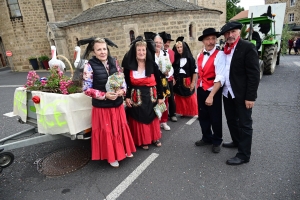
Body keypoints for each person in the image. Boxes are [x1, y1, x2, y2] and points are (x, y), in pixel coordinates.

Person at [82, 38, 136, 168]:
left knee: (119, 129)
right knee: (108, 132)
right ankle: (112, 157)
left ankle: (123, 151)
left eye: (104, 49)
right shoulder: (89, 66)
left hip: (116, 104)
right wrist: (103, 95)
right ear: (94, 52)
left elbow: (122, 80)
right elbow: (86, 89)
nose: (102, 52)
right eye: (99, 49)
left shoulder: (114, 62)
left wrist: (122, 91)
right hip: (102, 107)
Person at [219, 21, 260, 165]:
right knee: (231, 120)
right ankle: (236, 141)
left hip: (242, 94)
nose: (230, 35)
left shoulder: (247, 47)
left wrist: (250, 97)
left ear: (239, 32)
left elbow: (254, 75)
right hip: (227, 92)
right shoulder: (224, 49)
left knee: (245, 124)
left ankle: (243, 155)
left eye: (233, 32)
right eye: (227, 33)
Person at [123, 37, 164, 150]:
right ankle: (143, 140)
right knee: (139, 117)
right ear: (135, 52)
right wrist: (126, 97)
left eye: (143, 50)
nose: (141, 52)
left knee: (152, 116)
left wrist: (161, 96)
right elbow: (126, 83)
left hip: (151, 95)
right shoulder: (129, 68)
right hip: (136, 96)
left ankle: (154, 138)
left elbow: (159, 81)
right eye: (139, 50)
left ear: (146, 51)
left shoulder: (152, 65)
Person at [195, 28, 224, 153]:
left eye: (213, 38)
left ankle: (217, 140)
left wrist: (211, 95)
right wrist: (193, 84)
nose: (211, 42)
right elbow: (198, 71)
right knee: (203, 116)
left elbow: (220, 77)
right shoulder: (199, 55)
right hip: (201, 89)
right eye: (208, 39)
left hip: (213, 90)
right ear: (203, 41)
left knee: (215, 117)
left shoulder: (220, 55)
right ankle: (206, 137)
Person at [172, 37, 198, 117]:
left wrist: (193, 82)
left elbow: (194, 71)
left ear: (184, 47)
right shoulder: (175, 58)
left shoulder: (190, 58)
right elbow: (171, 70)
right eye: (177, 47)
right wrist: (173, 78)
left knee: (190, 96)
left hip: (187, 80)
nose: (179, 49)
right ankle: (184, 112)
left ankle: (195, 112)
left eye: (180, 47)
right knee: (180, 97)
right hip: (178, 80)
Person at [153, 33, 173, 131]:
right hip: (154, 82)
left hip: (164, 80)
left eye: (160, 42)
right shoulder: (150, 55)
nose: (158, 44)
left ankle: (164, 121)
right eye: (156, 42)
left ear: (162, 43)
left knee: (165, 101)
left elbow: (170, 67)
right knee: (155, 102)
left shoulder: (165, 54)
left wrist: (168, 72)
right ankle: (157, 122)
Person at [161, 32, 177, 122]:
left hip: (170, 78)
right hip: (161, 79)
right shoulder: (158, 52)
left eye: (168, 42)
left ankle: (172, 114)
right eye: (165, 42)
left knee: (171, 97)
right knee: (162, 98)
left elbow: (172, 66)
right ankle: (163, 117)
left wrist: (173, 76)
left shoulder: (171, 52)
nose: (167, 44)